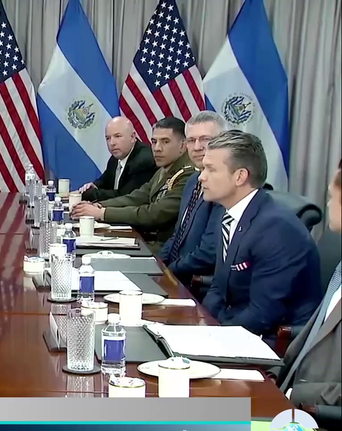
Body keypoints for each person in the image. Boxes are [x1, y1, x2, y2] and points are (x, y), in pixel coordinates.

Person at [200, 131, 321, 339]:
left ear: (240, 176)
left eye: (210, 169)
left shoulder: (276, 228)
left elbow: (263, 314)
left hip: (272, 339)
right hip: (234, 325)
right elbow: (218, 288)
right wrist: (201, 322)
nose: (201, 176)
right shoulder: (230, 214)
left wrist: (212, 337)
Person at [276, 159, 341, 431]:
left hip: (317, 428)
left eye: (332, 197)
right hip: (286, 401)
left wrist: (296, 393)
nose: (328, 204)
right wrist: (277, 375)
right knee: (154, 419)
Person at [71, 117, 195, 252]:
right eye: (154, 142)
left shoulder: (187, 174)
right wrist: (99, 206)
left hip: (166, 249)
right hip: (152, 241)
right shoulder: (164, 169)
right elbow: (137, 197)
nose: (157, 148)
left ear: (183, 145)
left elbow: (154, 214)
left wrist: (102, 213)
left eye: (165, 142)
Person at [158, 111, 228, 285]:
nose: (197, 147)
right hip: (176, 275)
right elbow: (178, 235)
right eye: (191, 140)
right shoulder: (192, 180)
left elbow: (209, 252)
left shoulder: (225, 186)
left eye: (205, 139)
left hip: (196, 283)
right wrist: (157, 264)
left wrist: (169, 271)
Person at [77, 117, 157, 202]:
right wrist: (93, 186)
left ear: (133, 137)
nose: (112, 143)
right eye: (108, 138)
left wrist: (89, 194)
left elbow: (125, 196)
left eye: (117, 136)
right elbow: (105, 180)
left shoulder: (144, 160)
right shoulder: (116, 158)